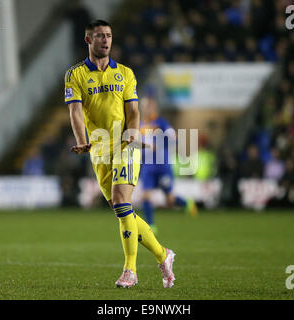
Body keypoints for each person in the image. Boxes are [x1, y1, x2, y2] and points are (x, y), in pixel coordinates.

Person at [64, 20, 175, 289]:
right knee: (122, 210)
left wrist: (134, 133)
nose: (105, 40)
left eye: (109, 35)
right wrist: (83, 141)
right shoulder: (75, 75)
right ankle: (163, 255)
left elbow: (134, 111)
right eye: (100, 36)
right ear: (88, 40)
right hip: (99, 149)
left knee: (120, 200)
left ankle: (130, 271)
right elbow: (75, 111)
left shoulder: (125, 73)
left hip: (126, 143)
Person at [139, 93, 198, 233]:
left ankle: (187, 203)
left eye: (149, 105)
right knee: (145, 195)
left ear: (154, 107)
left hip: (162, 166)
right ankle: (150, 226)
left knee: (170, 200)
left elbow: (174, 138)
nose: (147, 108)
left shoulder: (162, 123)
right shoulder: (139, 124)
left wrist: (160, 143)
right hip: (147, 166)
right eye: (144, 105)